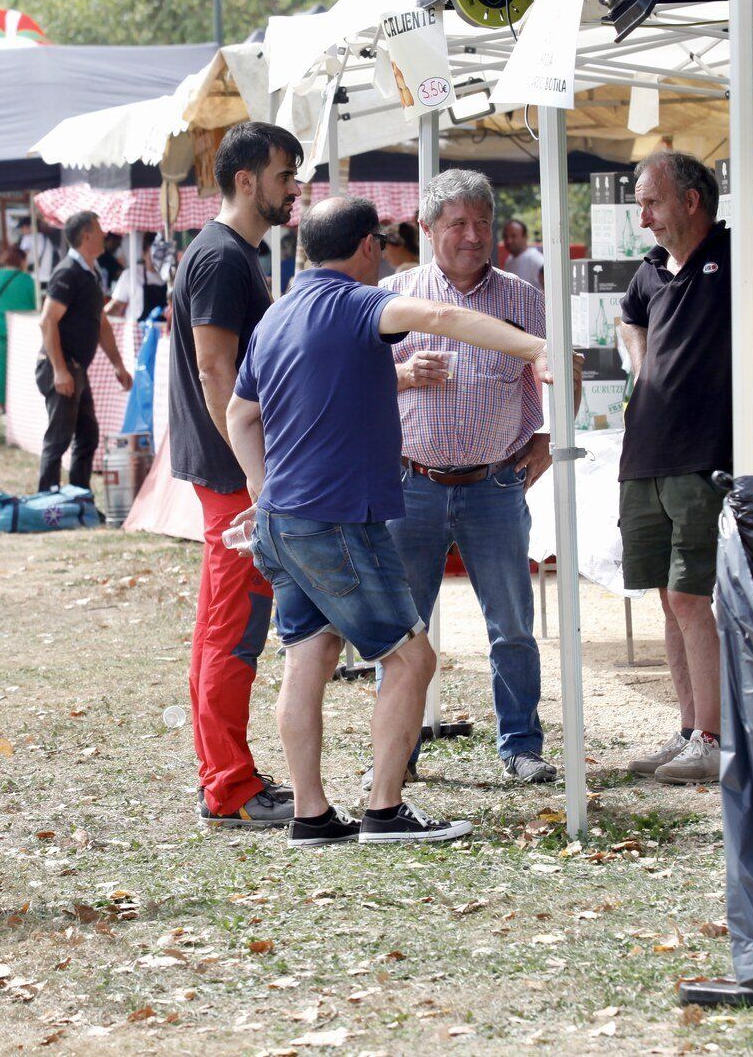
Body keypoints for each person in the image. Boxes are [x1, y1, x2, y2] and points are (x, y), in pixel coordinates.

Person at [226, 196, 553, 848]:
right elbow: (439, 313)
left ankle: (313, 816)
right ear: (369, 247)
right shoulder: (355, 304)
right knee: (411, 657)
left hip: (285, 521)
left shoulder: (276, 316)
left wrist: (266, 496)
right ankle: (384, 808)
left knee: (309, 657)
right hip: (340, 518)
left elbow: (240, 416)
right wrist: (535, 345)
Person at [618, 149, 753, 785]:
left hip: (706, 456)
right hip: (643, 454)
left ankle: (713, 736)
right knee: (668, 599)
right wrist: (642, 363)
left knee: (689, 594)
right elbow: (629, 318)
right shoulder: (649, 271)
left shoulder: (745, 248)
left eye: (650, 201)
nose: (643, 217)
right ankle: (690, 731)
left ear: (691, 201)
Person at [381, 170, 556, 786]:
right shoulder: (396, 295)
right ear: (428, 231)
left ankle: (521, 745)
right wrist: (403, 374)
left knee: (511, 624)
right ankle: (396, 753)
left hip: (494, 486)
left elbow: (546, 371)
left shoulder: (521, 296)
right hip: (411, 485)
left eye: (481, 222)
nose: (473, 235)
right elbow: (360, 380)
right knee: (404, 628)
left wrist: (544, 439)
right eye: (457, 223)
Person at [166, 122, 303, 830]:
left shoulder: (228, 253)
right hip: (231, 474)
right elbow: (216, 366)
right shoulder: (221, 258)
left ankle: (222, 774)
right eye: (285, 176)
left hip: (226, 469)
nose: (294, 190)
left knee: (220, 626)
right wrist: (256, 473)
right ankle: (228, 787)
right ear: (246, 180)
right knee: (234, 628)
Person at [35, 211, 132, 492]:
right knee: (60, 437)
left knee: (87, 435)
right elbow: (47, 320)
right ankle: (47, 501)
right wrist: (60, 370)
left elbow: (101, 323)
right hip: (63, 367)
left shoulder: (90, 272)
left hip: (75, 368)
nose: (105, 234)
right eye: (99, 228)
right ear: (87, 235)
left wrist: (117, 364)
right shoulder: (68, 271)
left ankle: (79, 499)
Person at [0, 244, 37, 410]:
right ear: (21, 261)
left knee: (0, 363)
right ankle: (23, 401)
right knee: (24, 364)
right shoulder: (28, 280)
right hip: (23, 327)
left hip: (0, 326)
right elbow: (36, 305)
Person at [499, 218, 543, 286]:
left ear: (525, 237)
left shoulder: (535, 258)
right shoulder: (509, 260)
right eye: (505, 237)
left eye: (513, 236)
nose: (508, 240)